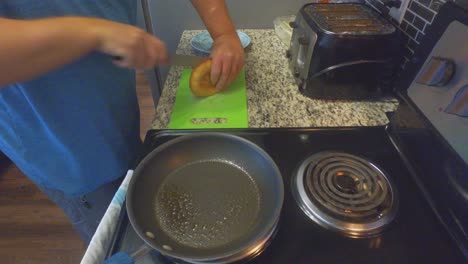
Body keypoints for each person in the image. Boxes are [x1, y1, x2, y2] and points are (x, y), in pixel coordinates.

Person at [0, 0, 244, 243]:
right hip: (68, 151)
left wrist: (223, 34)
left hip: (116, 116)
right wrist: (96, 33)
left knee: (142, 194)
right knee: (127, 240)